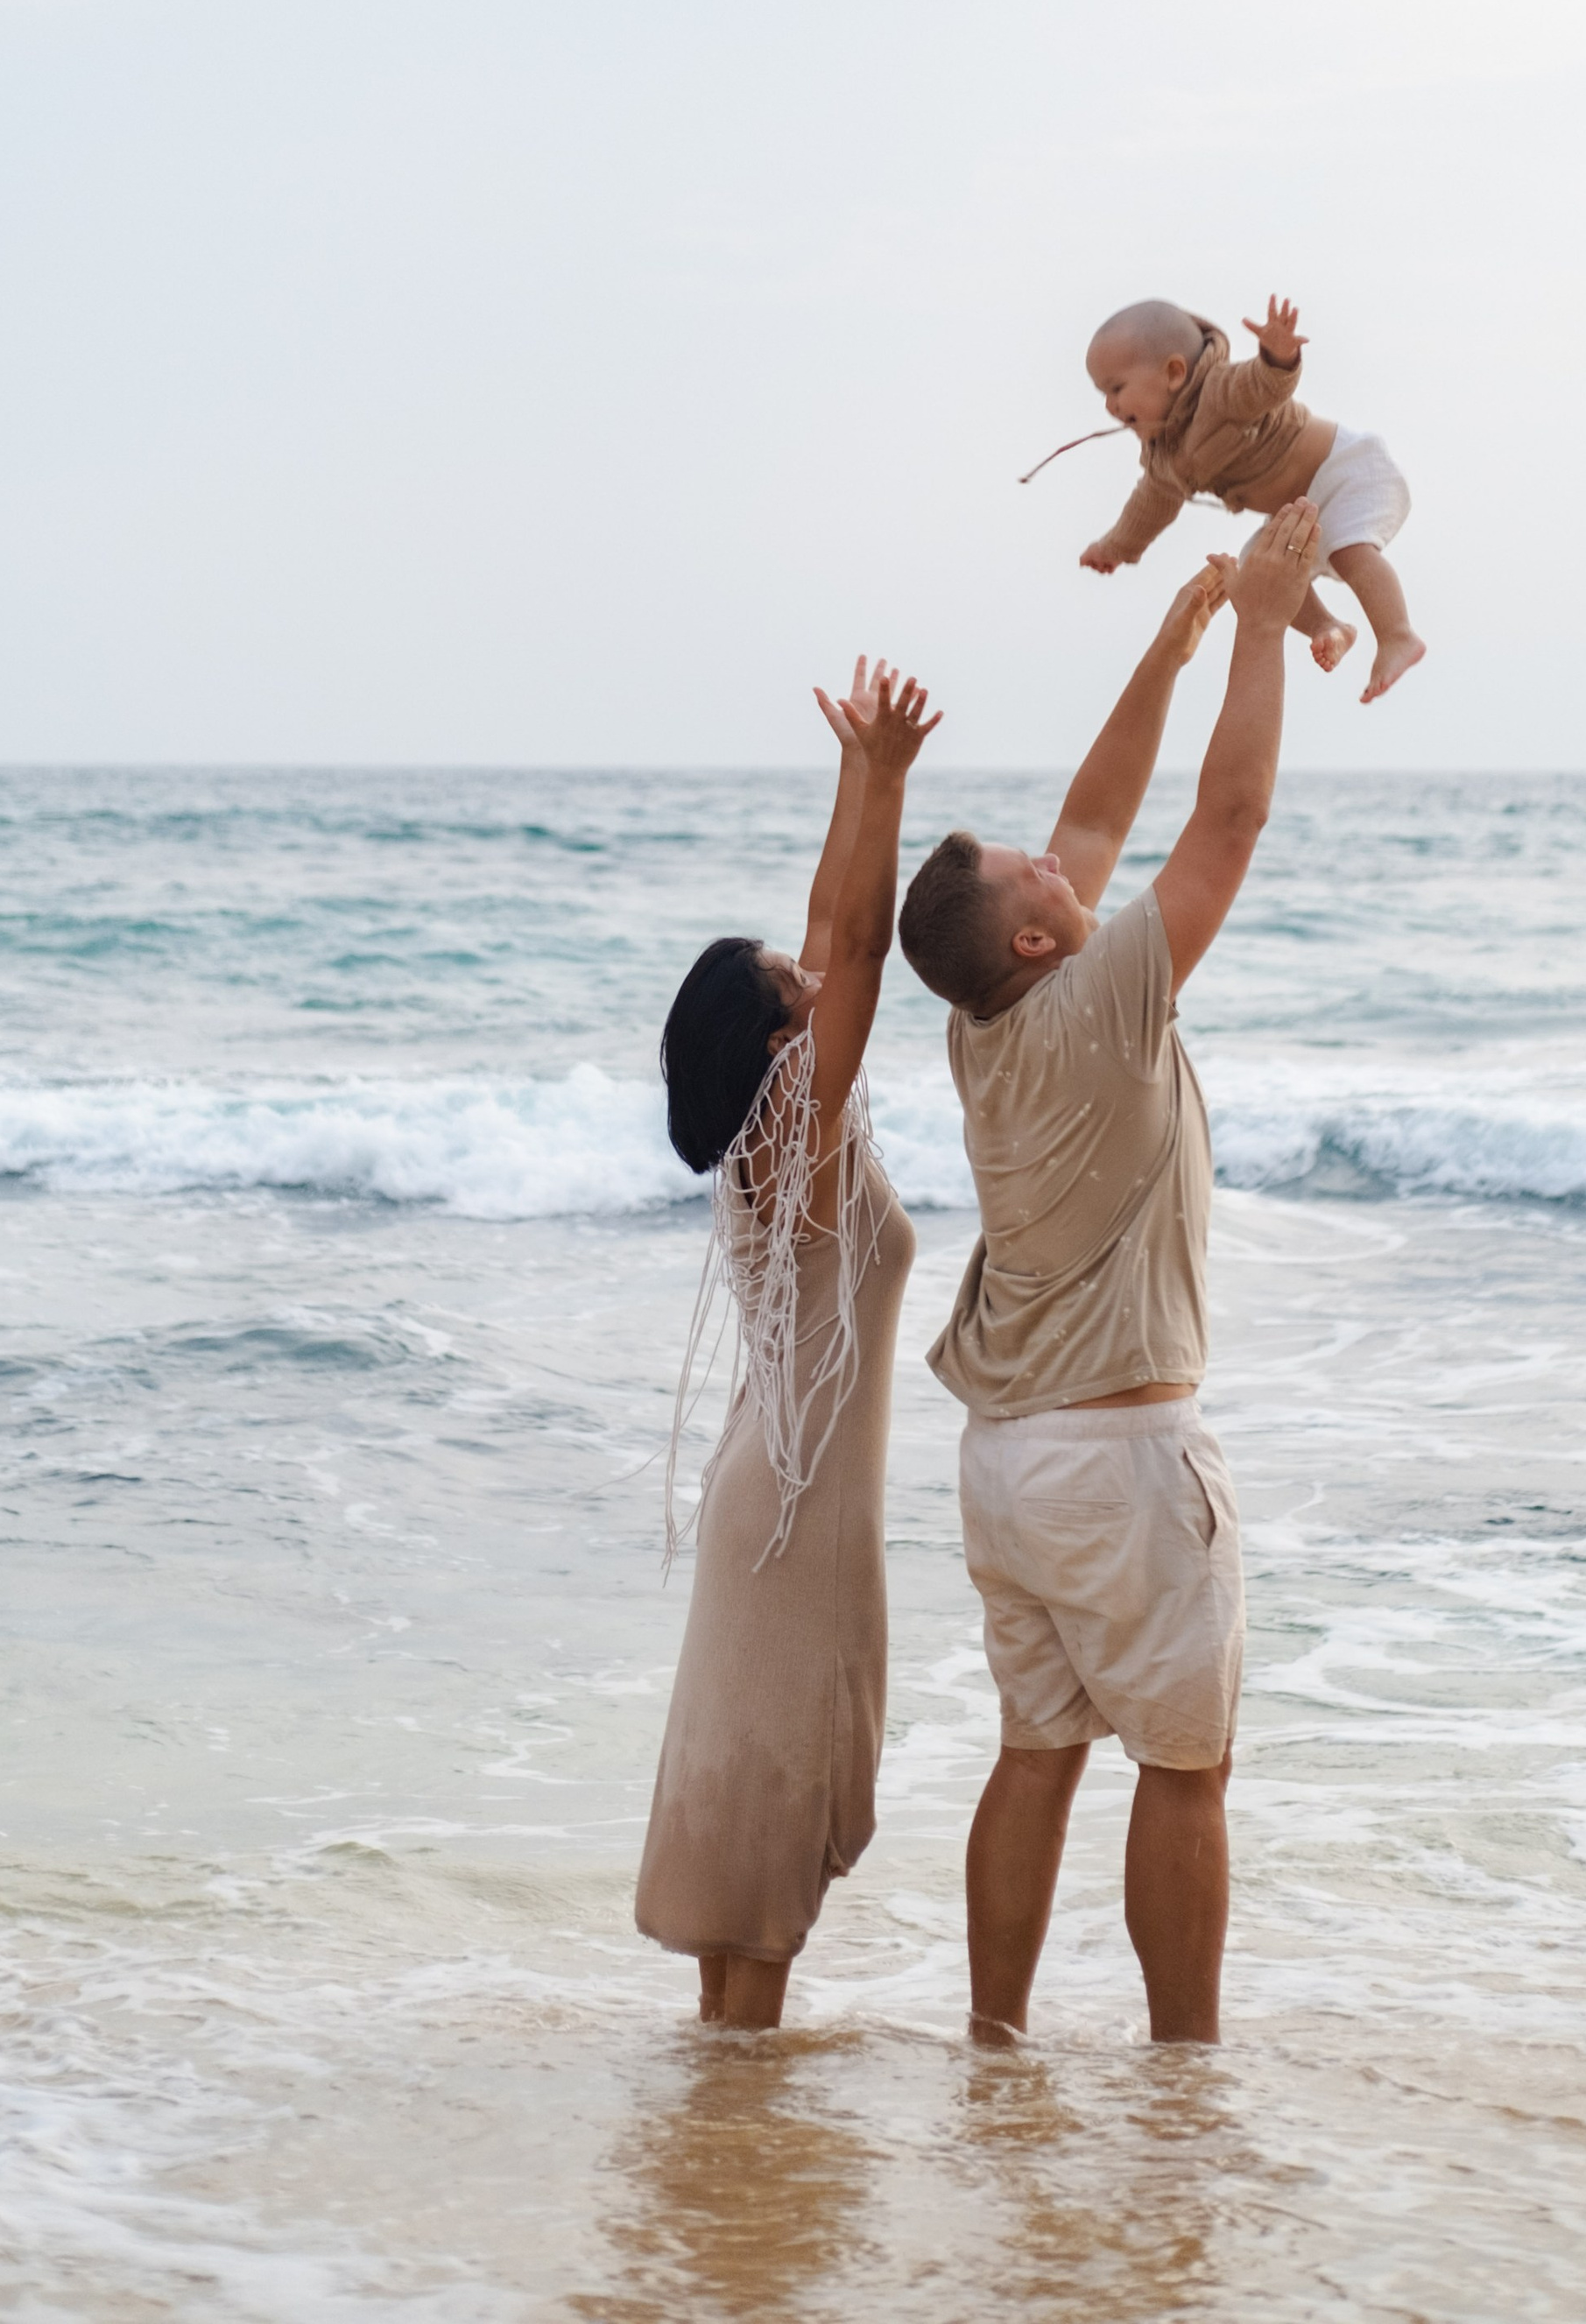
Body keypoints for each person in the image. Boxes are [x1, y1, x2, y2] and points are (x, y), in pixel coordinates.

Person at [896, 506, 1322, 2045]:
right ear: (1031, 939)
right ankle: (1183, 2071)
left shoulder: (984, 1021)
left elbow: (1091, 816)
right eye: (1037, 874)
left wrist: (1173, 634)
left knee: (1038, 1750)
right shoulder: (1104, 1002)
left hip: (1005, 1461)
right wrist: (1264, 625)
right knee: (1187, 1765)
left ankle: (996, 2045)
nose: (1062, 858)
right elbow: (1229, 822)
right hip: (1120, 1457)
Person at [636, 659, 941, 2030]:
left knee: (749, 1875)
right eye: (794, 991)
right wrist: (881, 785)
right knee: (764, 1871)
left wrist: (865, 780)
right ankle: (737, 2154)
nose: (820, 989)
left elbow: (834, 939)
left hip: (773, 1487)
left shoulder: (767, 1154)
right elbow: (855, 944)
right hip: (795, 1514)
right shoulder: (795, 1146)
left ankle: (725, 2102)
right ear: (776, 1042)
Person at [1063, 292, 1424, 701]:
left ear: (1175, 372)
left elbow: (1263, 386)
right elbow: (1151, 505)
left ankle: (1396, 635)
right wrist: (1115, 547)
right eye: (1103, 395)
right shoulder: (1166, 456)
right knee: (1259, 573)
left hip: (1344, 471)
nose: (1110, 406)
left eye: (1117, 388)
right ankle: (1329, 627)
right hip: (1299, 511)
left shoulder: (1221, 393)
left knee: (1349, 549)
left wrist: (1277, 358)